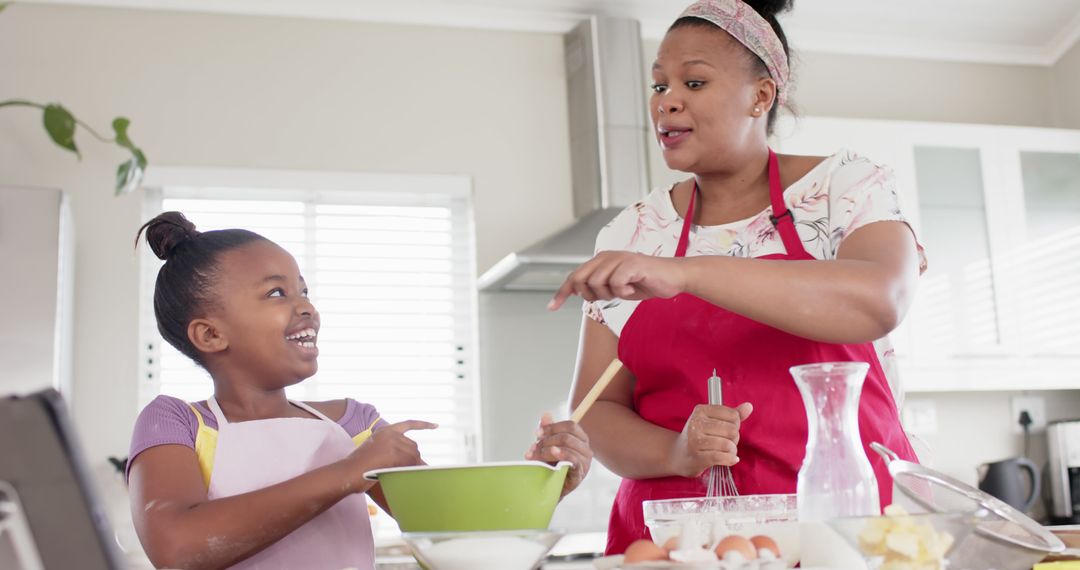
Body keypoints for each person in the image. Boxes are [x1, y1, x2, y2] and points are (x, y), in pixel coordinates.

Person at [547, 0, 926, 555]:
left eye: (694, 82)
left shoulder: (844, 187)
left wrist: (686, 274)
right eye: (659, 86)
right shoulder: (631, 234)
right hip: (678, 546)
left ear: (761, 95)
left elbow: (878, 300)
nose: (667, 101)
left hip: (842, 534)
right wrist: (677, 452)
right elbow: (596, 410)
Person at [127, 212, 592, 570]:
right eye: (276, 294)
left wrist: (543, 484)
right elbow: (177, 546)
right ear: (210, 335)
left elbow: (458, 542)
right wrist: (349, 472)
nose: (306, 307)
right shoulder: (177, 423)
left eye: (303, 290)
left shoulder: (355, 424)